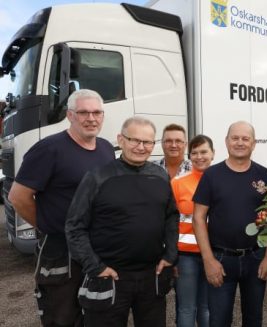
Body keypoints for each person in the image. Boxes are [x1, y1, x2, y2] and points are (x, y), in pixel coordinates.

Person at [8, 89, 114, 327]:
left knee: (97, 311)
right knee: (62, 315)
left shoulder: (106, 149)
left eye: (96, 112)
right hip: (61, 250)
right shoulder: (49, 149)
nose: (91, 118)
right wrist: (48, 226)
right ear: (70, 115)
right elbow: (19, 197)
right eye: (83, 112)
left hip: (98, 246)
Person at [65, 117, 179, 327]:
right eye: (134, 140)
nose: (141, 147)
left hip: (151, 276)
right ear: (121, 139)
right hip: (110, 277)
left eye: (147, 142)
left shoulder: (160, 176)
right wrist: (95, 267)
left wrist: (170, 254)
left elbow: (172, 216)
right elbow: (75, 226)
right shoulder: (98, 177)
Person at [192, 121, 267, 327]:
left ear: (254, 143)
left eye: (245, 138)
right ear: (227, 142)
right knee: (219, 321)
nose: (240, 142)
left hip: (256, 257)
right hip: (221, 259)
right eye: (235, 138)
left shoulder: (265, 176)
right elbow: (198, 218)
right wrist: (208, 260)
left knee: (254, 320)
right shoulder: (211, 175)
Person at [171, 134, 215, 327]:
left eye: (204, 151)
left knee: (207, 307)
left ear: (213, 153)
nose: (199, 156)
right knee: (187, 308)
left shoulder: (221, 180)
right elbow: (169, 221)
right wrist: (170, 255)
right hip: (185, 256)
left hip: (213, 254)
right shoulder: (178, 183)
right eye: (194, 153)